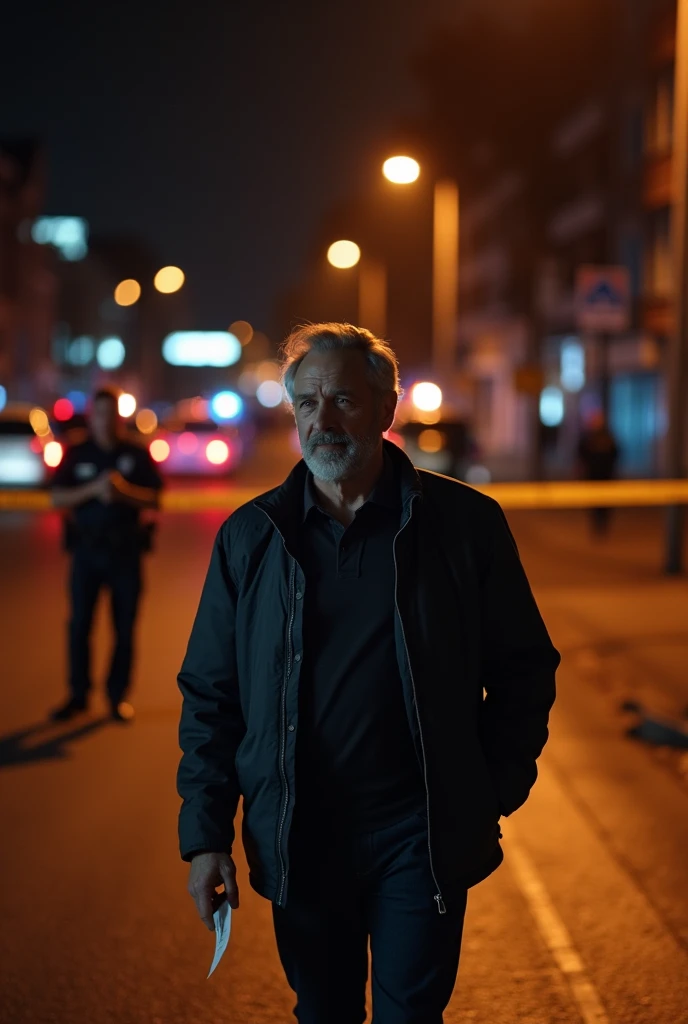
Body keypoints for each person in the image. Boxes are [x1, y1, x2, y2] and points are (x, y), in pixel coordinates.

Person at [177, 323, 560, 1023]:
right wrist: (205, 837)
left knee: (411, 1014)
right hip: (301, 834)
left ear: (387, 409)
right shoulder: (251, 537)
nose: (324, 421)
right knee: (322, 1011)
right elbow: (211, 697)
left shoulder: (466, 524)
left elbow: (524, 669)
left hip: (419, 836)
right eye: (308, 404)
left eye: (345, 400)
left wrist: (491, 789)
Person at [50, 388, 163, 723]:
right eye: (100, 414)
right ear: (92, 416)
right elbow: (56, 498)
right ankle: (78, 695)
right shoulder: (77, 452)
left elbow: (156, 499)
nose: (106, 421)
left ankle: (116, 698)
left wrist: (123, 492)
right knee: (79, 626)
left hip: (126, 552)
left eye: (112, 414)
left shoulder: (137, 454)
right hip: (86, 551)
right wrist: (95, 489)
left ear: (120, 418)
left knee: (124, 629)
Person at [577, 409, 619, 536]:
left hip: (606, 476)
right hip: (592, 475)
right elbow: (581, 454)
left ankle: (603, 526)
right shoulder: (588, 438)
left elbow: (616, 453)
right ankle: (596, 526)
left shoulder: (608, 437)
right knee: (593, 503)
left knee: (605, 503)